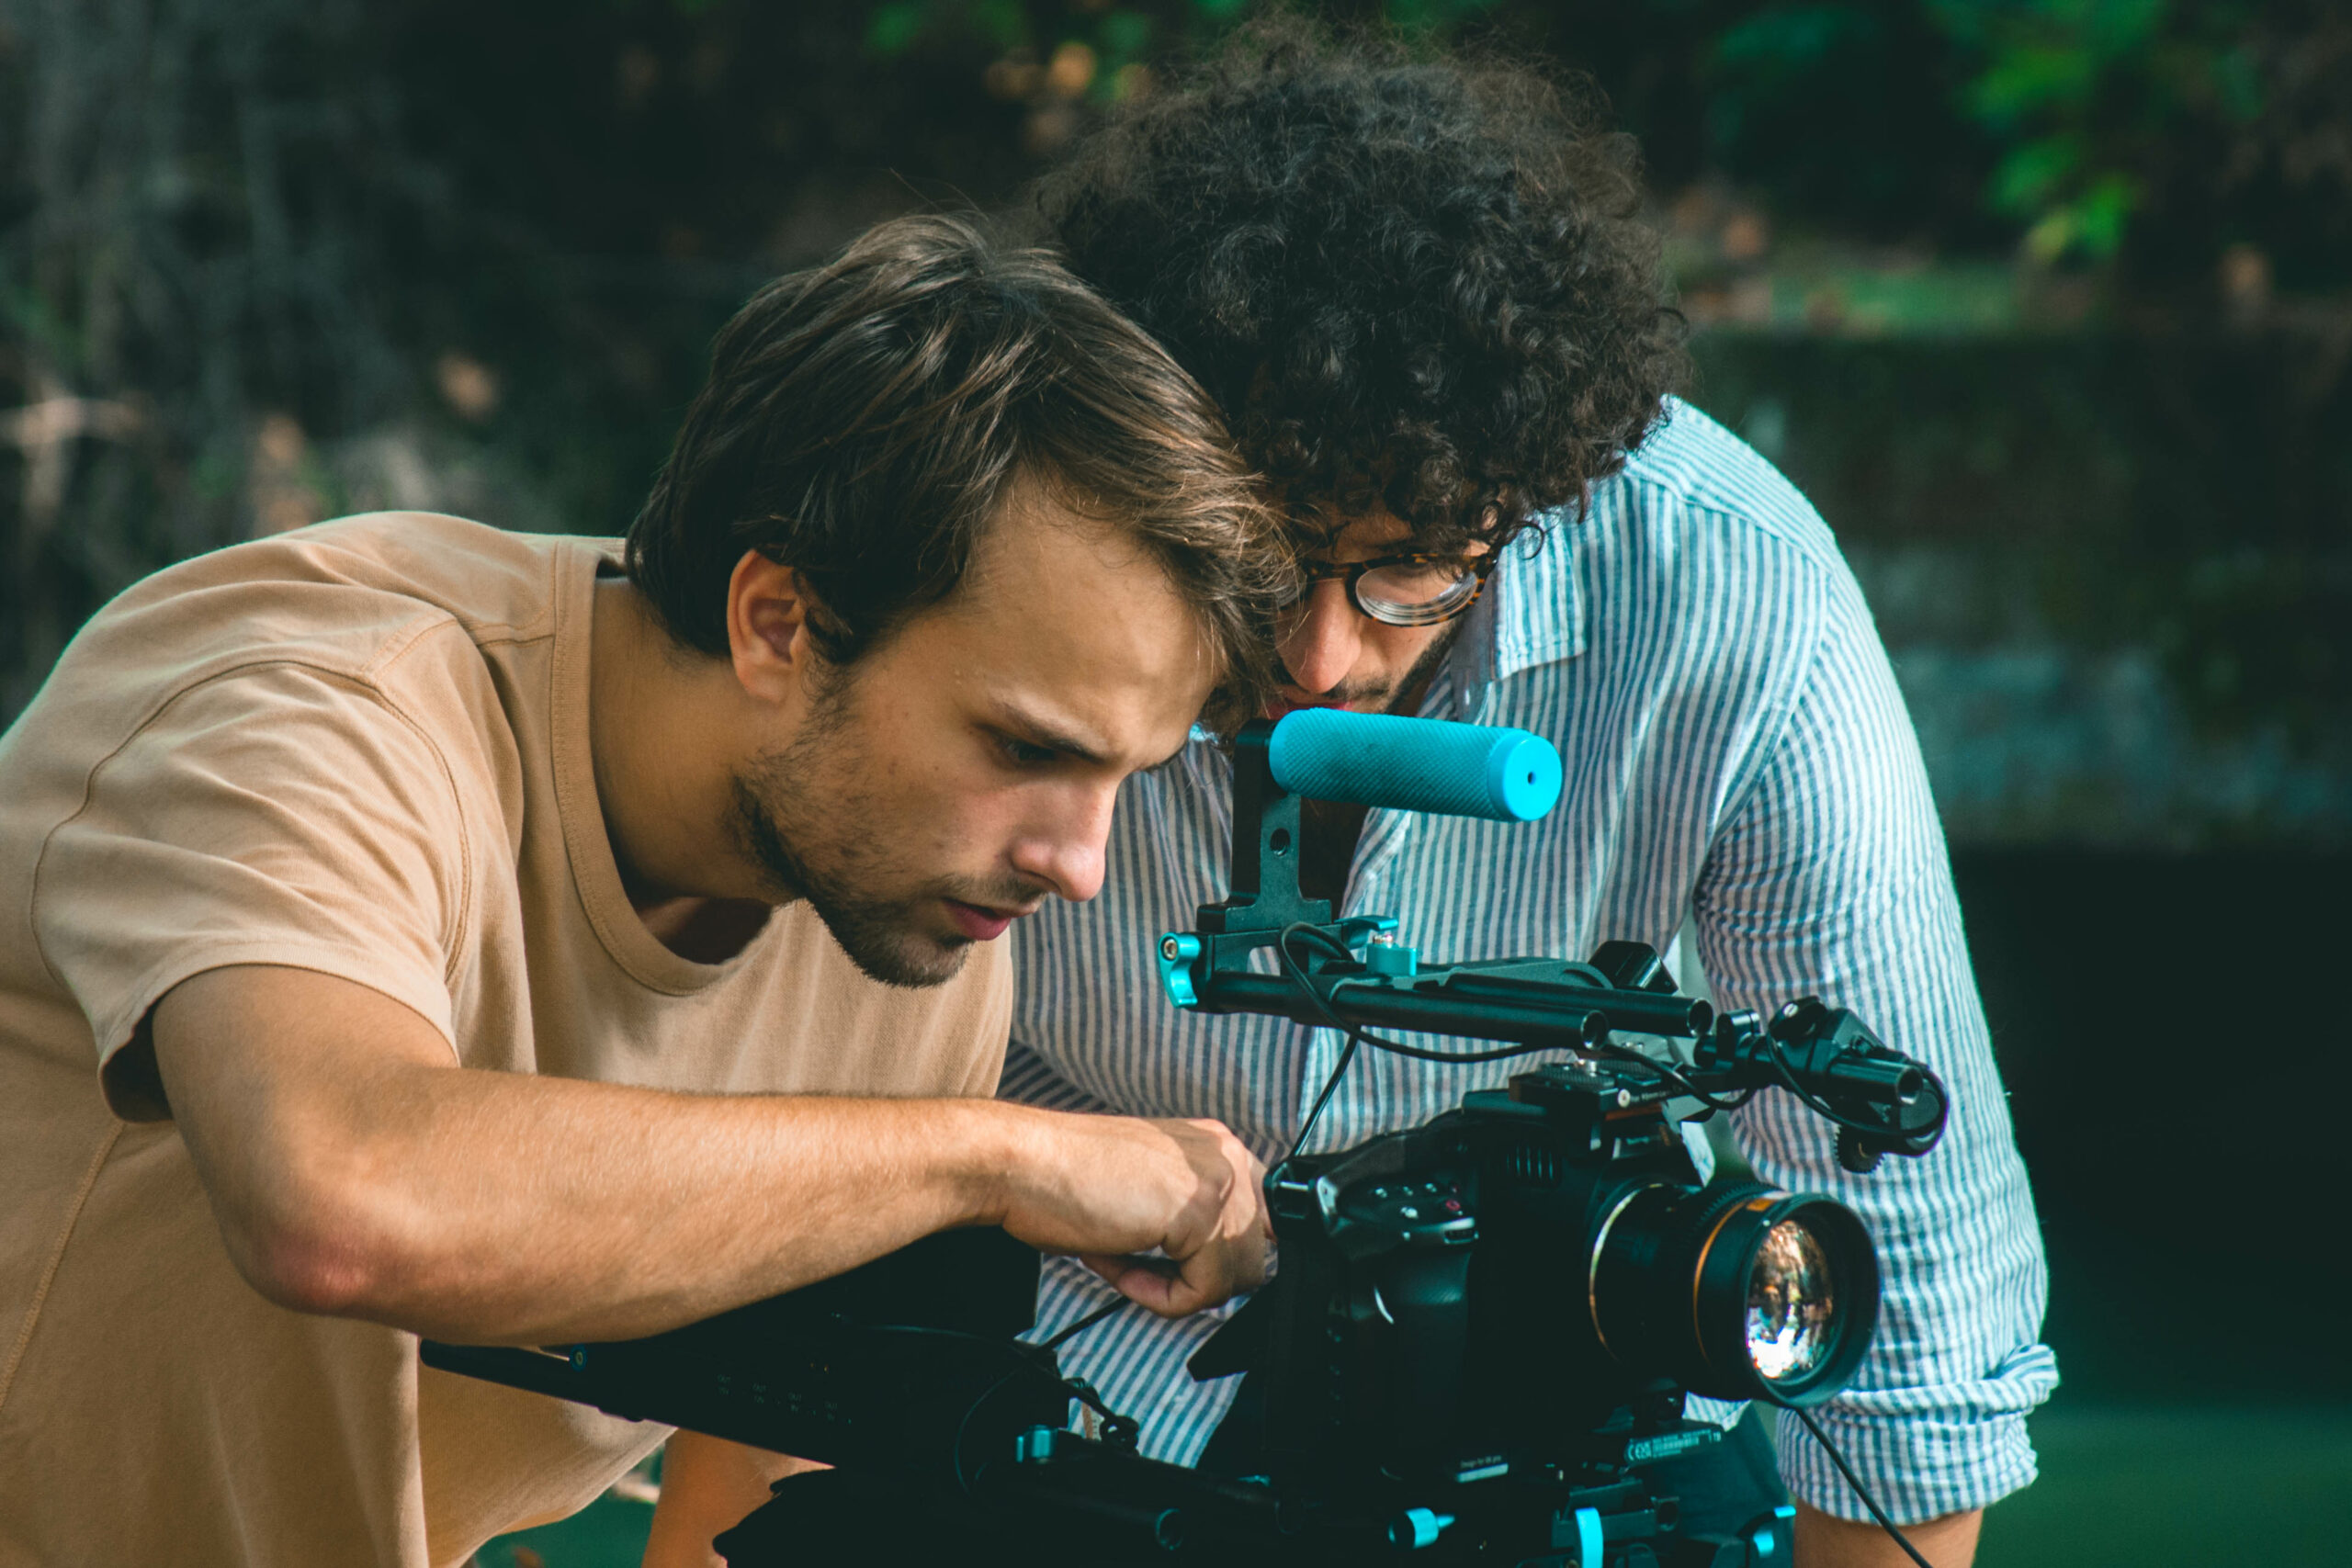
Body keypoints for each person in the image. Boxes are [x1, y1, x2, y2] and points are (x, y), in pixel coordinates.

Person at [0, 216, 1292, 1568]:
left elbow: (753, 1482)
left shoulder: (909, 923)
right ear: (778, 622)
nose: (1079, 867)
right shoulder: (312, 710)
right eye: (1028, 749)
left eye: (1125, 779)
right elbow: (341, 1196)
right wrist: (991, 1155)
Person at [1001, 32, 2057, 1568]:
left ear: (1529, 492)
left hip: (1571, 1386)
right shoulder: (1044, 510)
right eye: (1273, 553)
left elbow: (1904, 1212)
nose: (1319, 656)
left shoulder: (1729, 591)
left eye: (1413, 566)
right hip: (1068, 1355)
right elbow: (814, 1039)